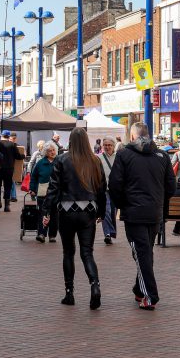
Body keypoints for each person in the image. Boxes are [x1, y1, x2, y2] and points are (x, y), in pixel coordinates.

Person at [108, 121, 176, 311]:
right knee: (145, 252)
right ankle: (139, 289)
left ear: (132, 136)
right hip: (154, 212)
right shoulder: (162, 156)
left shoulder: (124, 154)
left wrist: (123, 205)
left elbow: (114, 185)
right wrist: (159, 202)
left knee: (141, 252)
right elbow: (171, 186)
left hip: (134, 213)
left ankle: (149, 295)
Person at [41, 127, 106, 309]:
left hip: (67, 211)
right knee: (87, 252)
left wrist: (46, 211)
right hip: (88, 211)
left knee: (68, 252)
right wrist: (101, 211)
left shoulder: (62, 160)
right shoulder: (95, 161)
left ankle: (69, 293)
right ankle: (95, 285)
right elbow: (101, 189)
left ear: (70, 140)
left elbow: (53, 188)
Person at [29, 143, 59, 242]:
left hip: (56, 192)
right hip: (43, 191)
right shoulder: (40, 163)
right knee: (43, 212)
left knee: (54, 214)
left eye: (53, 150)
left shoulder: (59, 162)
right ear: (46, 152)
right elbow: (34, 177)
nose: (52, 152)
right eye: (50, 151)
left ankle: (52, 235)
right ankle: (41, 233)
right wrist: (32, 189)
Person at [0, 131, 24, 212]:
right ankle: (7, 206)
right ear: (8, 136)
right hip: (9, 168)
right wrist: (23, 155)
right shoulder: (12, 145)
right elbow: (18, 156)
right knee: (8, 186)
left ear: (2, 135)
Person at [98, 137, 118, 245]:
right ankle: (108, 234)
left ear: (113, 146)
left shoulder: (119, 157)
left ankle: (111, 232)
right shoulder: (98, 158)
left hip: (115, 189)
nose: (107, 147)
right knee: (106, 210)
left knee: (113, 212)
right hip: (103, 189)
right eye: (105, 145)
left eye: (109, 145)